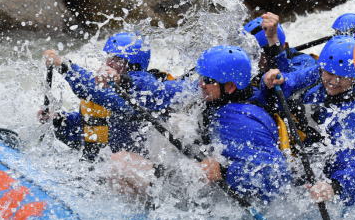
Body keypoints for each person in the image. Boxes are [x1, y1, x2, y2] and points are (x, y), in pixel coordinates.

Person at [103, 45, 293, 202]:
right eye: (201, 78)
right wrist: (123, 80)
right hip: (203, 182)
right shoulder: (216, 93)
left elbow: (279, 177)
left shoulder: (241, 122)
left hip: (219, 197)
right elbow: (161, 92)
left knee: (120, 164)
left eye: (208, 81)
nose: (201, 84)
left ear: (230, 86)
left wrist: (225, 172)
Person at [263, 35, 355, 206]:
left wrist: (335, 186)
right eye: (330, 74)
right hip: (316, 159)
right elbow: (291, 80)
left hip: (352, 197)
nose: (333, 81)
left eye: (342, 77)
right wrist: (273, 78)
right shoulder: (319, 73)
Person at [40, 32, 158, 162]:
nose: (108, 63)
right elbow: (83, 129)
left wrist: (64, 66)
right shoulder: (102, 88)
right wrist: (59, 120)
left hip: (128, 173)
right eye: (109, 57)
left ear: (134, 66)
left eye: (117, 59)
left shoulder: (142, 90)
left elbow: (100, 94)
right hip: (96, 168)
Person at [244, 13, 318, 85]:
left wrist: (273, 42)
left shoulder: (305, 62)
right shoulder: (253, 70)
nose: (255, 61)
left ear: (284, 47)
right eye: (251, 55)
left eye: (257, 56)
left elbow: (288, 83)